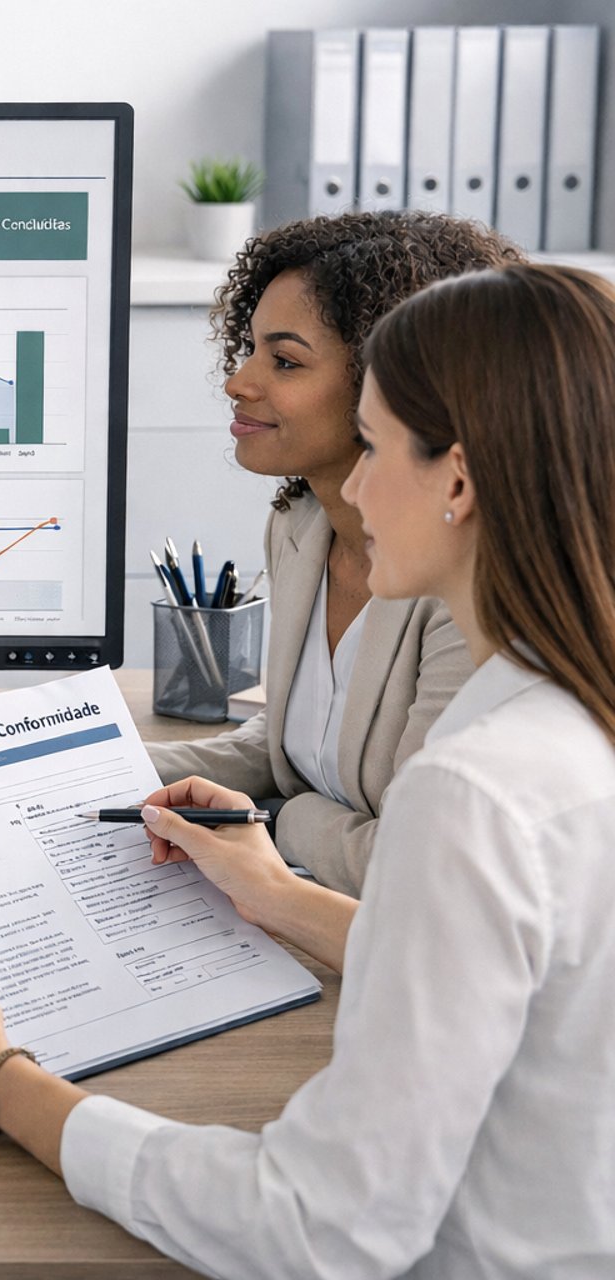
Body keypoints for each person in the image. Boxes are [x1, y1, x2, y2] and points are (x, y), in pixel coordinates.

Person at [0, 263, 615, 1277]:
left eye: (379, 445)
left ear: (458, 479)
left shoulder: (471, 793)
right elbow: (482, 971)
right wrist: (274, 894)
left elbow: (315, 1227)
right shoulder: (571, 719)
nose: (350, 486)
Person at [147, 211, 521, 894]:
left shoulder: (470, 586)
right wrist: (90, 766)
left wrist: (282, 820)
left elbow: (413, 865)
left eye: (285, 361)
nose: (239, 381)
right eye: (251, 349)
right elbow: (294, 742)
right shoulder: (303, 523)